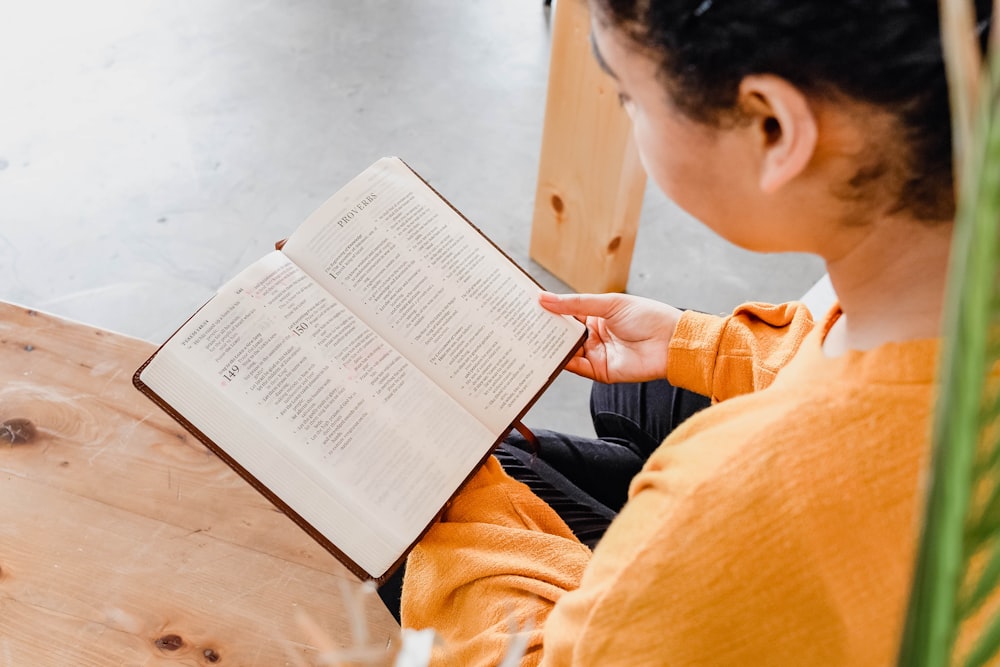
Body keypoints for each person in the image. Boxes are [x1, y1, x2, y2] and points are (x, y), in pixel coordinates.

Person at [391, 0, 993, 663]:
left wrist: (444, 495)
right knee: (625, 397)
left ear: (773, 128)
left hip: (726, 554)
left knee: (461, 486)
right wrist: (694, 343)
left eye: (629, 97)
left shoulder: (730, 495)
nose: (628, 115)